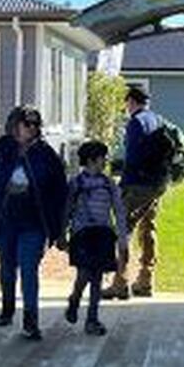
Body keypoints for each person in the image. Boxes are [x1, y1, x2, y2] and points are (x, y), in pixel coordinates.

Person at [0, 105, 69, 340]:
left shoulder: (47, 155)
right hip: (5, 221)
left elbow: (62, 193)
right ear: (14, 125)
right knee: (7, 269)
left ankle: (31, 321)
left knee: (29, 269)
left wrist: (61, 230)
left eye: (35, 125)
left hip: (34, 224)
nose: (31, 129)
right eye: (26, 124)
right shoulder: (2, 148)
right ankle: (7, 309)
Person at [105, 86, 167, 301]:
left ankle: (119, 283)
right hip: (157, 184)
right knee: (148, 228)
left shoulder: (136, 122)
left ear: (131, 101)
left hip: (137, 185)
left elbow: (132, 158)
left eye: (126, 103)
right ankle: (145, 280)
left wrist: (123, 185)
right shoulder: (157, 120)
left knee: (124, 230)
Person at [65, 140, 123, 336]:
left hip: (103, 234)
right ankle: (75, 298)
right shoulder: (76, 184)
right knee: (84, 274)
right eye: (102, 158)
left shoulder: (109, 184)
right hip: (82, 234)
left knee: (97, 277)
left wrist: (122, 239)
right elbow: (67, 210)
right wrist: (61, 234)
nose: (105, 162)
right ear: (90, 160)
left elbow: (119, 211)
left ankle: (92, 318)